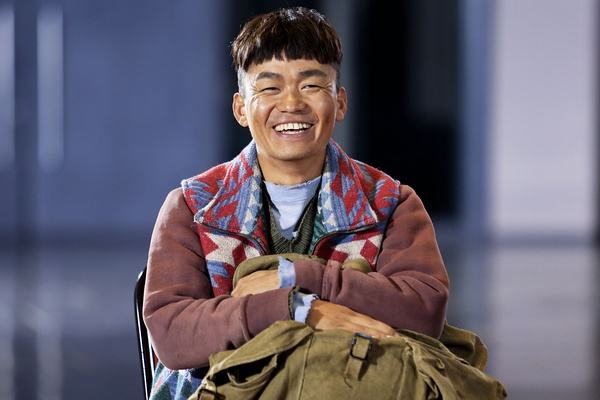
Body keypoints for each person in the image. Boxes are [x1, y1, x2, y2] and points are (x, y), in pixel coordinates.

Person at [143, 7, 449, 399]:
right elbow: (172, 336)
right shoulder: (192, 207)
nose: (291, 103)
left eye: (311, 85)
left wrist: (297, 276)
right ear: (241, 108)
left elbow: (424, 312)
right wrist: (300, 309)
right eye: (269, 88)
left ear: (340, 102)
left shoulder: (390, 204)